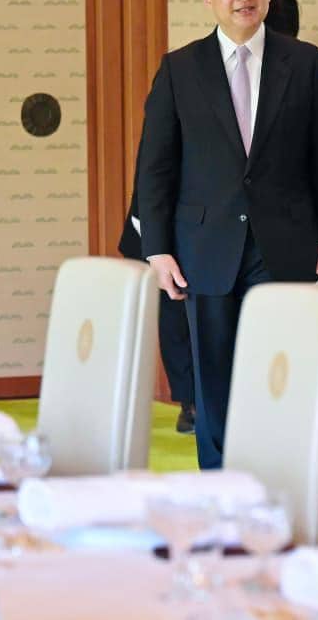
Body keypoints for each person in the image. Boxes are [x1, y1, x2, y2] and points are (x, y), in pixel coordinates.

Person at [137, 0, 318, 469]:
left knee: (282, 370)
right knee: (215, 376)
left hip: (285, 242)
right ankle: (220, 486)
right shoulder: (179, 69)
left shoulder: (304, 63)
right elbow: (155, 167)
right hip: (204, 247)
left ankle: (283, 484)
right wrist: (157, 249)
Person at [118, 148, 196, 435]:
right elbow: (151, 182)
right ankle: (190, 405)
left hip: (202, 233)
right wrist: (157, 248)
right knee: (174, 320)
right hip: (154, 235)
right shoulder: (168, 113)